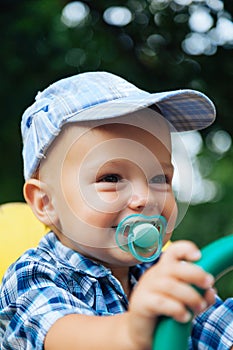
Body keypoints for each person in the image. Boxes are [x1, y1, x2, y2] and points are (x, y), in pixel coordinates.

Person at [0, 71, 231, 350]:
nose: (145, 198)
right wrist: (132, 332)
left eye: (160, 179)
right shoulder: (32, 275)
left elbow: (220, 329)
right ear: (45, 203)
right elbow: (64, 336)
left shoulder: (164, 272)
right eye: (110, 178)